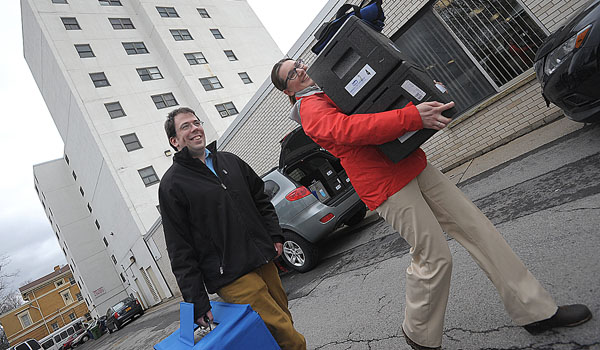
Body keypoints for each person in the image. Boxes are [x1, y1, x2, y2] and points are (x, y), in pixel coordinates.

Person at [271, 58, 592, 350]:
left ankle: (535, 310)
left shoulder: (328, 87)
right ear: (289, 91)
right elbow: (350, 130)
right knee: (434, 256)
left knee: (478, 228)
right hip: (385, 184)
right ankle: (419, 333)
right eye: (292, 74)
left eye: (297, 63)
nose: (300, 69)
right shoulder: (310, 109)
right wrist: (412, 116)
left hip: (409, 163)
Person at [158, 107, 306, 350]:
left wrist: (274, 236)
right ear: (174, 141)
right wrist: (197, 302)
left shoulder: (229, 160)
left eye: (196, 122)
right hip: (231, 276)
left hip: (264, 260)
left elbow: (261, 198)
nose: (195, 128)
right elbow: (179, 248)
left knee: (283, 321)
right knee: (286, 335)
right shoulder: (172, 185)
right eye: (185, 126)